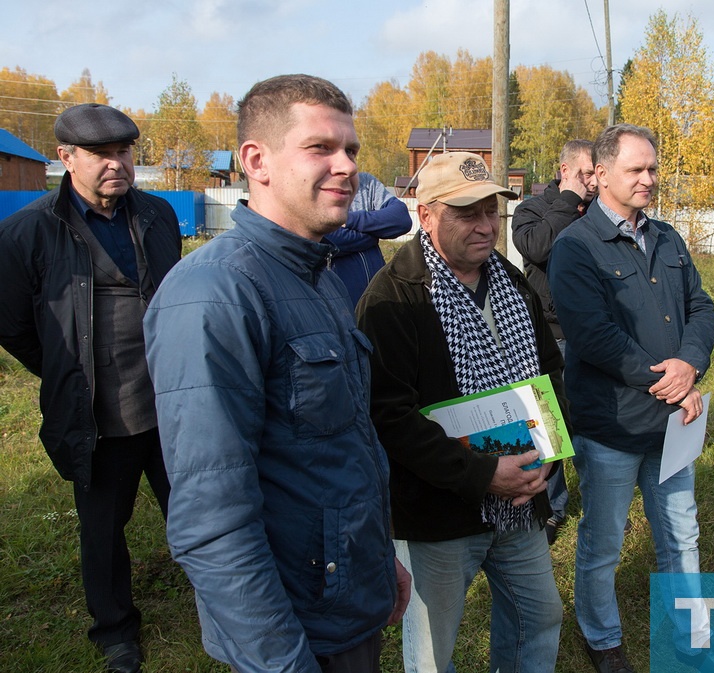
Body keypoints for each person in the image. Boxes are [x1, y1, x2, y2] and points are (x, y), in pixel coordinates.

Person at [143, 74, 409, 673]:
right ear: (256, 161)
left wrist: (378, 561)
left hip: (343, 601)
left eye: (352, 151)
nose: (347, 167)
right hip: (293, 633)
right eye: (321, 148)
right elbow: (212, 522)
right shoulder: (215, 294)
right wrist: (282, 662)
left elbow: (340, 447)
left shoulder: (317, 274)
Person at [356, 151, 566, 673]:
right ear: (425, 215)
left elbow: (550, 374)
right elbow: (391, 418)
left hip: (523, 495)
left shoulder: (514, 285)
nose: (487, 225)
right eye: (467, 212)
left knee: (540, 615)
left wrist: (545, 456)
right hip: (439, 510)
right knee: (432, 650)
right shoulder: (393, 298)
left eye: (492, 210)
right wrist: (482, 474)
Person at [0, 103, 180, 673]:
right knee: (103, 526)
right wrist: (68, 370)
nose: (116, 164)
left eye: (124, 152)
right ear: (66, 158)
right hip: (100, 412)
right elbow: (12, 325)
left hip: (177, 400)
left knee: (201, 508)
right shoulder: (29, 230)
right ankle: (115, 630)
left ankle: (225, 602)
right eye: (101, 154)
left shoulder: (156, 214)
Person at [548, 124, 714, 673]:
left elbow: (702, 308)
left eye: (651, 169)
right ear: (600, 175)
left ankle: (687, 631)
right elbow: (593, 335)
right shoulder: (575, 247)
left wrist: (690, 365)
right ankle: (602, 638)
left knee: (681, 531)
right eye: (635, 170)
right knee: (604, 541)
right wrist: (665, 379)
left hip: (674, 419)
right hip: (613, 425)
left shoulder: (667, 237)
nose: (648, 179)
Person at [511, 138, 596, 544]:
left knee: (592, 423)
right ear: (564, 172)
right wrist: (568, 200)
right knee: (551, 423)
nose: (592, 182)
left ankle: (600, 503)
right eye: (584, 174)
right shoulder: (534, 209)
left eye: (596, 173)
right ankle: (554, 506)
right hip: (549, 334)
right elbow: (535, 246)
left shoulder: (600, 209)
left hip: (594, 334)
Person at [328, 171, 412, 306]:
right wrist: (373, 234)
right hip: (338, 307)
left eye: (350, 151)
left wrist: (350, 220)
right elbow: (327, 238)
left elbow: (401, 219)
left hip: (378, 303)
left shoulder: (365, 182)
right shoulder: (314, 185)